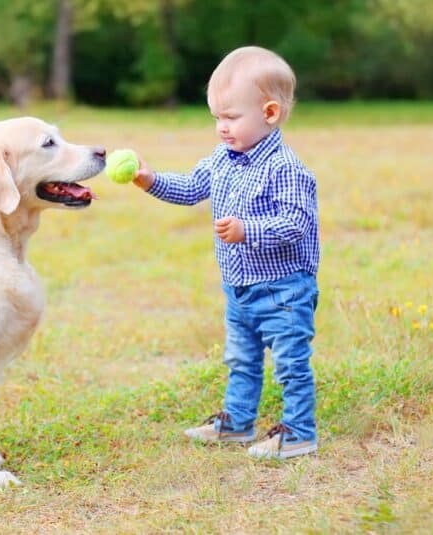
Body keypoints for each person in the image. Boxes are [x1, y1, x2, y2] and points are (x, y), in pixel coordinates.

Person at [131, 46, 320, 459]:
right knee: (241, 359)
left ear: (269, 114)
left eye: (231, 117)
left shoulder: (285, 168)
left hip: (283, 290)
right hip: (239, 289)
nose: (221, 127)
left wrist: (246, 229)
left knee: (290, 363)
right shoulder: (223, 158)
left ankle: (300, 432)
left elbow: (295, 224)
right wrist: (151, 181)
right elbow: (191, 187)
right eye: (216, 117)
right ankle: (236, 423)